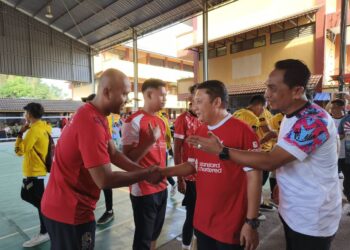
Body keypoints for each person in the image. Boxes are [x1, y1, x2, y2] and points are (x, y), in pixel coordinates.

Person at [187, 59, 342, 250]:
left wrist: (222, 151)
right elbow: (286, 156)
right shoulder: (289, 116)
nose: (266, 94)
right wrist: (284, 185)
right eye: (267, 87)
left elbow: (270, 161)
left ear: (297, 90)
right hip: (293, 210)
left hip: (312, 217)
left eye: (273, 88)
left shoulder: (313, 121)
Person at [41, 69, 162, 250]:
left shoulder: (98, 116)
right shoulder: (90, 121)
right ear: (107, 92)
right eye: (124, 94)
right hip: (70, 211)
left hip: (62, 207)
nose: (127, 99)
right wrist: (146, 173)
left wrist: (142, 170)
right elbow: (104, 180)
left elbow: (113, 153)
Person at [161, 80, 261, 250]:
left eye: (199, 101)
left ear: (217, 102)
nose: (194, 107)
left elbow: (255, 177)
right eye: (193, 102)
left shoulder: (243, 131)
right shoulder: (201, 130)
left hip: (231, 225)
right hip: (203, 223)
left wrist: (251, 222)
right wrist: (161, 171)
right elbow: (192, 166)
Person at [121, 78, 168, 250]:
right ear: (149, 94)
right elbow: (127, 161)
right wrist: (148, 142)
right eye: (162, 96)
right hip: (144, 190)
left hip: (162, 187)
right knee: (143, 239)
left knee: (155, 234)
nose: (165, 100)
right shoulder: (133, 121)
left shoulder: (161, 121)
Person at [14, 102, 52, 247]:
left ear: (29, 114)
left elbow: (20, 151)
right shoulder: (44, 126)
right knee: (37, 201)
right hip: (38, 172)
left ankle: (45, 231)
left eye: (25, 113)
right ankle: (47, 227)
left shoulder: (34, 130)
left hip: (35, 173)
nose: (24, 115)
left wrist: (20, 133)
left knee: (37, 202)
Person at [234, 95, 276, 213]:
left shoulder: (237, 113)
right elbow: (249, 143)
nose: (263, 111)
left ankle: (255, 205)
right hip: (250, 155)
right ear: (258, 105)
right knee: (255, 183)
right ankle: (251, 211)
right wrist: (266, 138)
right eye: (263, 108)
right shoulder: (252, 118)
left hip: (236, 154)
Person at [173, 84, 201, 250]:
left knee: (202, 216)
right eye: (196, 96)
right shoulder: (183, 119)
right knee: (191, 216)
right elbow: (176, 150)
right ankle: (185, 246)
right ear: (190, 98)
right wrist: (180, 177)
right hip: (190, 177)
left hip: (205, 175)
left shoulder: (205, 118)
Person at [81, 93, 115, 225]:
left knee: (105, 183)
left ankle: (110, 210)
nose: (88, 107)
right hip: (88, 158)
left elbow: (110, 146)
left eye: (91, 104)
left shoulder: (102, 120)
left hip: (101, 157)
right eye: (87, 104)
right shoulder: (83, 118)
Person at [157, 110, 177, 196]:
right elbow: (168, 135)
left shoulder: (159, 119)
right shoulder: (163, 119)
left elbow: (167, 134)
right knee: (161, 168)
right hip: (163, 148)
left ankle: (172, 183)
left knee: (161, 169)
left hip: (160, 149)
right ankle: (172, 183)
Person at [330, 99, 346, 179]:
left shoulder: (346, 120)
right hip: (332, 151)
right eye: (331, 108)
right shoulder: (329, 120)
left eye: (335, 107)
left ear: (342, 108)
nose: (332, 110)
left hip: (344, 151)